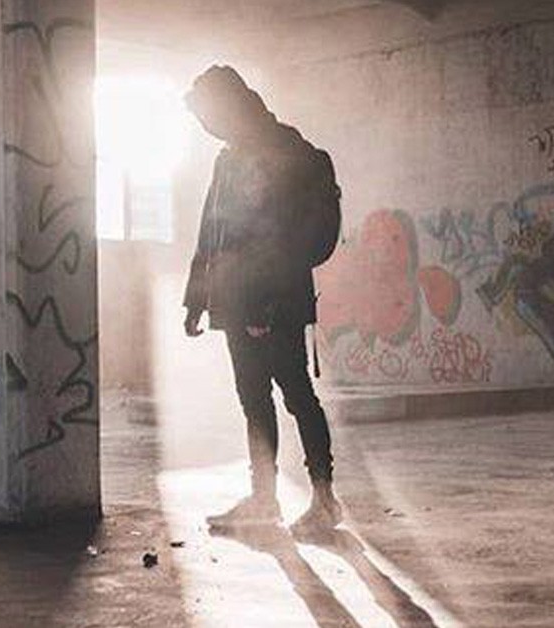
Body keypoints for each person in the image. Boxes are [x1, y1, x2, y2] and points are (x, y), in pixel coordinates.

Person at [182, 65, 342, 535]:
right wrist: (197, 298)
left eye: (209, 115)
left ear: (230, 105)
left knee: (296, 395)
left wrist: (264, 307)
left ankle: (324, 498)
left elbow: (280, 238)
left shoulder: (282, 152)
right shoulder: (229, 158)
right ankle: (264, 498)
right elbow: (211, 229)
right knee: (253, 399)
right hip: (236, 301)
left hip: (276, 302)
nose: (207, 126)